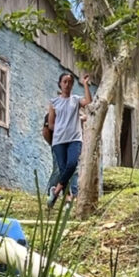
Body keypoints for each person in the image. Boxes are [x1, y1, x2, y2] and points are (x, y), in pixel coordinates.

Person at [47, 72, 92, 207]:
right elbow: (51, 124)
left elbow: (88, 101)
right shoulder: (54, 102)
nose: (67, 84)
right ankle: (67, 199)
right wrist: (64, 126)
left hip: (74, 139)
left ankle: (56, 191)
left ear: (72, 85)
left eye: (70, 82)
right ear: (60, 83)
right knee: (63, 169)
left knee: (71, 164)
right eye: (64, 81)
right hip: (59, 140)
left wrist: (85, 84)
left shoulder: (76, 100)